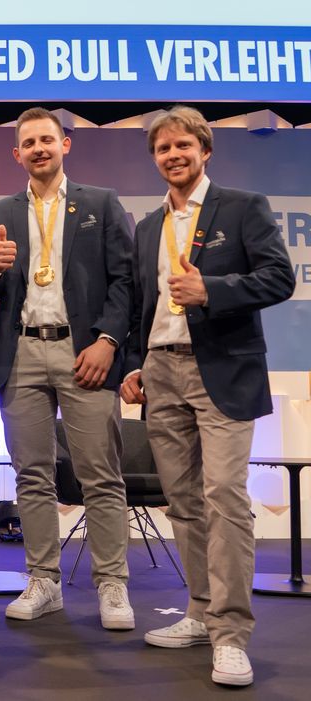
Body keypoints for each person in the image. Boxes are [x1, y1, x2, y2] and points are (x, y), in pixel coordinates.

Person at [121, 105, 294, 686]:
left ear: (205, 151)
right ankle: (198, 611)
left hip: (221, 369)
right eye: (163, 149)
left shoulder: (242, 207)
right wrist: (134, 363)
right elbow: (140, 304)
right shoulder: (148, 227)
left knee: (223, 496)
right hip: (160, 371)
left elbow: (279, 277)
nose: (173, 155)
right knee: (185, 501)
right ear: (154, 158)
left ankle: (230, 635)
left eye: (183, 146)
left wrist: (210, 289)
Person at [0, 107, 135, 629]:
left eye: (48, 139)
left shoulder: (101, 204)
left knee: (101, 476)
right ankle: (43, 580)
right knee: (32, 475)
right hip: (20, 353)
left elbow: (124, 282)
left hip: (85, 352)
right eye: (29, 142)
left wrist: (109, 341)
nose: (39, 148)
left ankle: (112, 585)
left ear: (66, 144)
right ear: (16, 152)